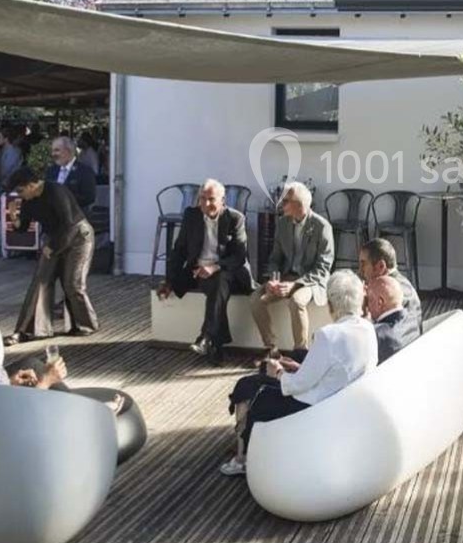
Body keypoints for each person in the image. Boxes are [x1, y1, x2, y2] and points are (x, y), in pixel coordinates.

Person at [220, 270, 377, 476]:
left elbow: (298, 386)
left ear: (331, 304)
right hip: (340, 402)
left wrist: (278, 372)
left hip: (313, 407)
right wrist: (298, 367)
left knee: (257, 393)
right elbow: (336, 370)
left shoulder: (328, 335)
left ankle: (244, 458)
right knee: (254, 383)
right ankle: (245, 450)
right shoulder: (367, 329)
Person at [155, 179, 253, 365]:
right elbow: (179, 250)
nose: (206, 204)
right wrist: (169, 280)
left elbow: (239, 256)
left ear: (223, 200)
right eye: (202, 199)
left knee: (219, 282)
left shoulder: (235, 218)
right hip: (198, 271)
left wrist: (215, 267)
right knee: (215, 287)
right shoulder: (191, 215)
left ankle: (206, 336)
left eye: (211, 199)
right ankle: (214, 345)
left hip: (228, 271)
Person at [1, 165, 100, 345]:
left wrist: (52, 247)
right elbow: (23, 227)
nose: (20, 195)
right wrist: (13, 216)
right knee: (41, 280)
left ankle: (85, 324)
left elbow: (68, 224)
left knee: (73, 283)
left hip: (78, 236)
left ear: (31, 185)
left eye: (21, 190)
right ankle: (28, 330)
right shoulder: (28, 201)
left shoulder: (56, 191)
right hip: (54, 238)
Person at [252, 181, 334, 353]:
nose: (281, 204)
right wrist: (274, 279)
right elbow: (275, 258)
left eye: (285, 201)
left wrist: (295, 285)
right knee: (256, 299)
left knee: (296, 301)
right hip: (287, 276)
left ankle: (300, 352)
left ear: (299, 204)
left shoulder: (322, 226)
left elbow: (323, 267)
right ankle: (271, 349)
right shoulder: (283, 223)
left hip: (310, 281)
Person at [358, 238, 422, 329]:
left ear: (381, 266)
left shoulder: (393, 292)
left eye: (363, 264)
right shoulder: (398, 284)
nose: (360, 270)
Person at [366, 274, 419, 363]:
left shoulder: (377, 335)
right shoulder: (413, 319)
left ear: (380, 302)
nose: (367, 306)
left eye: (368, 300)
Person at [47, 136, 97, 215]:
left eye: (57, 150)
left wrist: (65, 200)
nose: (53, 154)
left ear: (67, 151)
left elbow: (89, 197)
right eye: (52, 151)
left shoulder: (85, 171)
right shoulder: (51, 170)